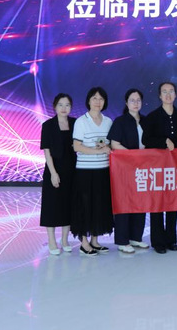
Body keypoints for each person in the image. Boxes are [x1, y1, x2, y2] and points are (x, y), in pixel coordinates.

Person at [141, 81, 177, 254]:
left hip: (175, 166)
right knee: (158, 203)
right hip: (157, 167)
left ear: (176, 95)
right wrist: (164, 141)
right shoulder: (152, 116)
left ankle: (171, 240)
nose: (168, 95)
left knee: (173, 202)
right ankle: (158, 241)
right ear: (160, 96)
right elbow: (146, 140)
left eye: (171, 91)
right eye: (164, 92)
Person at [71, 86, 114, 256]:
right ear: (88, 101)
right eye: (94, 98)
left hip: (103, 170)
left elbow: (109, 144)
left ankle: (95, 241)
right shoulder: (81, 121)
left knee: (99, 206)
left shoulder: (108, 121)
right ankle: (84, 243)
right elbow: (76, 146)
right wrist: (96, 151)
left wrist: (106, 148)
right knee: (85, 206)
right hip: (85, 171)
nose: (98, 102)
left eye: (101, 99)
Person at [108, 88, 149, 254]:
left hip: (142, 168)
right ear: (126, 102)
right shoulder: (120, 121)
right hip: (124, 168)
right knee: (124, 202)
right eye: (132, 100)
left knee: (140, 201)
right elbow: (114, 144)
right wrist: (132, 156)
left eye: (138, 100)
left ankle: (136, 237)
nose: (135, 103)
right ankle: (122, 240)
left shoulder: (146, 121)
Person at [40, 93, 77, 255]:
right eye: (60, 105)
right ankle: (51, 240)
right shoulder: (48, 125)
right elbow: (47, 152)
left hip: (72, 170)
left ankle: (65, 239)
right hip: (53, 170)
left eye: (67, 105)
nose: (64, 108)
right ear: (55, 107)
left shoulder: (75, 123)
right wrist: (53, 173)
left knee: (68, 205)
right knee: (52, 205)